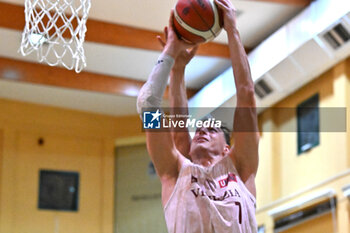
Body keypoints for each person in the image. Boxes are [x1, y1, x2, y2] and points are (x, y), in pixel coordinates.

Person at [136, 0, 259, 232]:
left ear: (227, 149)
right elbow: (147, 102)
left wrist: (232, 29)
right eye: (200, 129)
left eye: (212, 129)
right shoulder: (174, 171)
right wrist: (171, 54)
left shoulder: (241, 168)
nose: (202, 131)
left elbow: (246, 93)